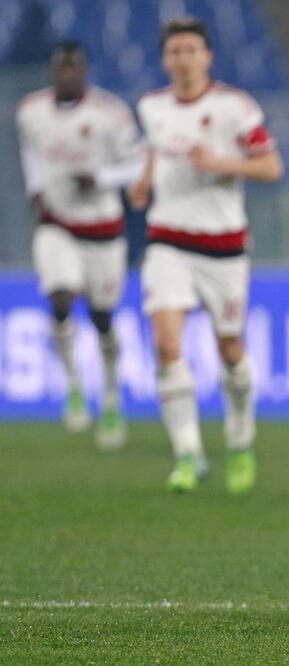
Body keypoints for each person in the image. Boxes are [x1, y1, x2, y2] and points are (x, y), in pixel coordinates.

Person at [127, 17, 284, 495]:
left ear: (207, 56)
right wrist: (144, 180)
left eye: (191, 50)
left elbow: (272, 166)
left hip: (224, 247)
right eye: (174, 51)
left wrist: (221, 164)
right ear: (164, 60)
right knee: (166, 343)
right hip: (167, 239)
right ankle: (188, 455)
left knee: (229, 350)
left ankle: (240, 439)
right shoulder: (151, 106)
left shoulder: (234, 107)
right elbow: (157, 147)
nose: (183, 59)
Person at [16, 41, 145, 449]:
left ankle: (109, 393)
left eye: (76, 67)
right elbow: (31, 151)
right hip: (56, 225)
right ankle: (73, 386)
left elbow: (139, 162)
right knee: (58, 300)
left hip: (102, 230)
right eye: (62, 67)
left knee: (102, 317)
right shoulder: (31, 112)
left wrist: (101, 179)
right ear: (54, 70)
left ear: (85, 71)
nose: (68, 73)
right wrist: (37, 187)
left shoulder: (110, 114)